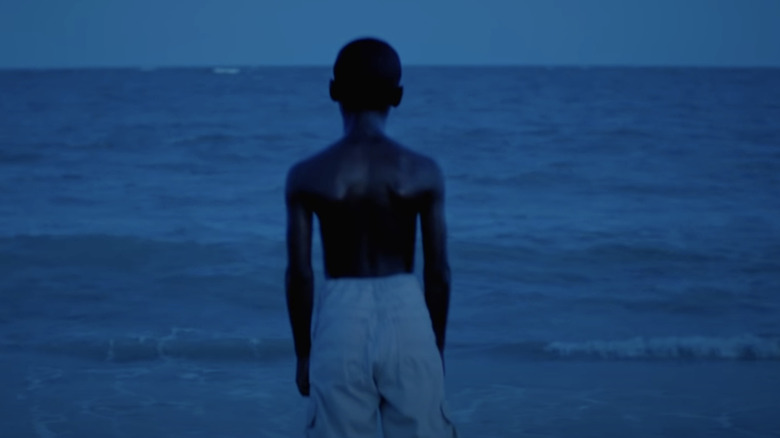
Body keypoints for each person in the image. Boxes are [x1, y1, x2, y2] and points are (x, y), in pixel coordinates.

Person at [285, 37, 457, 438]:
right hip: (408, 313)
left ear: (333, 91)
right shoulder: (422, 171)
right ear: (398, 96)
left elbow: (299, 274)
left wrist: (304, 354)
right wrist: (437, 349)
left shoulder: (308, 174)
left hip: (340, 317)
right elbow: (439, 273)